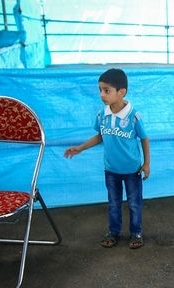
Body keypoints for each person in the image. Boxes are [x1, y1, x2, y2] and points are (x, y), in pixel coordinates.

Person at [64, 68, 150, 250]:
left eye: (106, 90)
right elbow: (100, 135)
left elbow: (144, 138)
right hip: (110, 170)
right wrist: (80, 148)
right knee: (113, 203)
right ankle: (113, 233)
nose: (102, 95)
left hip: (132, 170)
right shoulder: (102, 115)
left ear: (121, 92)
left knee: (134, 204)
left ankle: (136, 233)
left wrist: (147, 163)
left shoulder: (134, 116)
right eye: (100, 90)